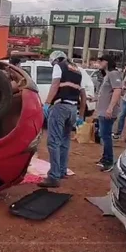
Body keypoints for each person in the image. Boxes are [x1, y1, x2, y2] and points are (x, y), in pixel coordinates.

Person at [39, 51, 87, 188]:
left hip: (60, 107)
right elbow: (83, 95)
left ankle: (54, 177)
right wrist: (81, 116)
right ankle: (62, 171)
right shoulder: (78, 70)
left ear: (55, 60)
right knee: (65, 141)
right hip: (72, 110)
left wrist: (47, 103)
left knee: (53, 142)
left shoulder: (59, 66)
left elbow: (55, 85)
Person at [94, 55, 122, 172]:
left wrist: (110, 108)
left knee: (106, 136)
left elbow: (118, 90)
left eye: (101, 61)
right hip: (103, 110)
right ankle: (105, 158)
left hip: (107, 111)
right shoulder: (108, 75)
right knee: (103, 135)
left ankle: (109, 161)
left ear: (107, 62)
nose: (99, 63)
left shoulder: (113, 74)